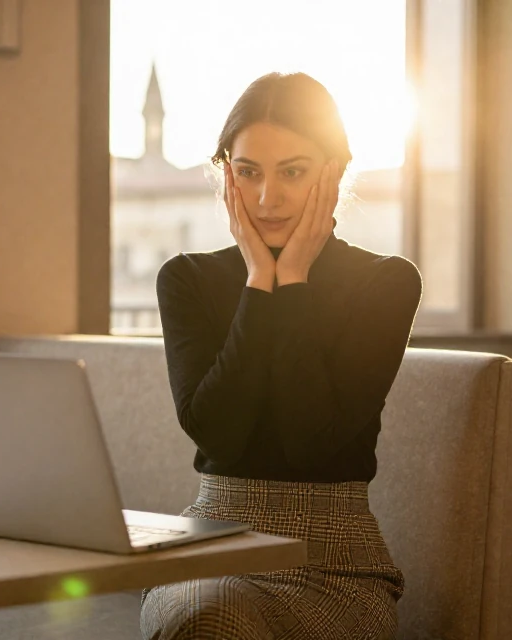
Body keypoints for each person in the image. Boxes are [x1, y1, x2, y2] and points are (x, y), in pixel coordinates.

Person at [141, 71, 423, 639]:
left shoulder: (387, 282)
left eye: (292, 172)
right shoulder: (187, 279)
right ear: (226, 176)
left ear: (334, 171)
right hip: (208, 548)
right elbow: (217, 434)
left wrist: (290, 277)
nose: (268, 199)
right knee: (210, 617)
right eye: (248, 173)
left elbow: (308, 439)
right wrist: (257, 282)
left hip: (337, 562)